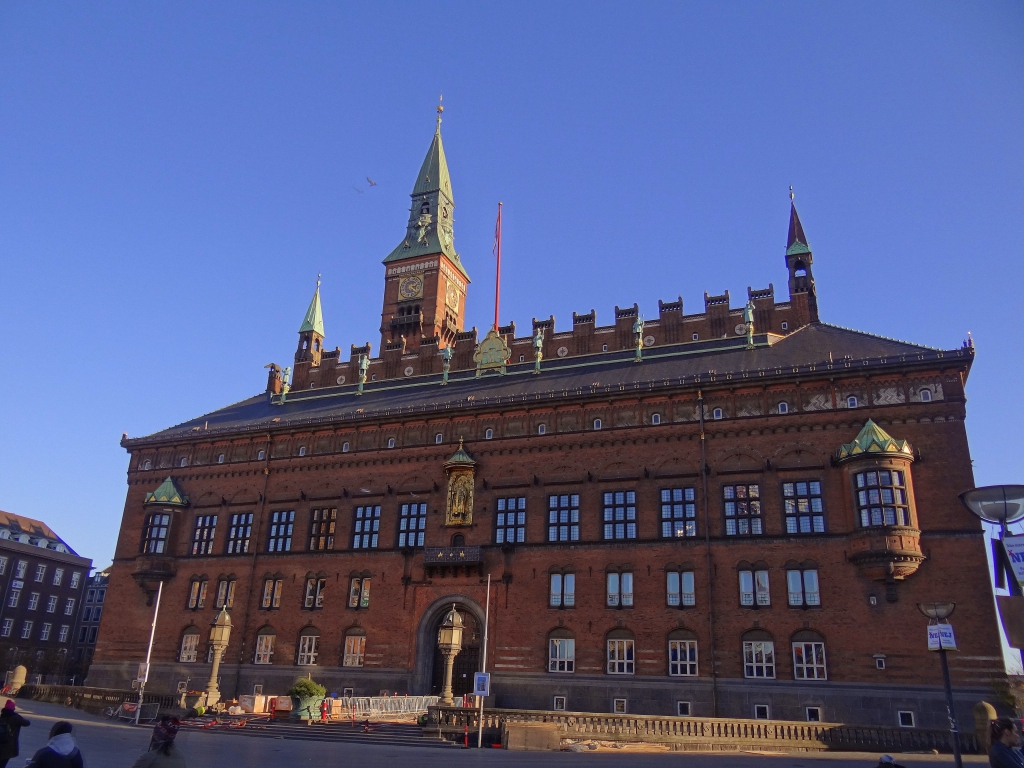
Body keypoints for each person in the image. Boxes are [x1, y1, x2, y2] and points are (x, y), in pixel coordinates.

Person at [0, 699, 30, 768]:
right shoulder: (15, 718)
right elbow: (27, 723)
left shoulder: (2, 717)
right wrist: (18, 715)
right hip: (9, 745)